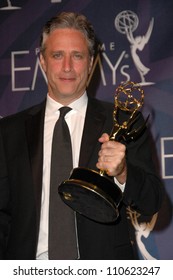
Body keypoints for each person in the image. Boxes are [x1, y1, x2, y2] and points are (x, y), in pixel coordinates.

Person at [0, 11, 163, 260]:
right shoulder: (8, 132)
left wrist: (123, 172)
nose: (67, 67)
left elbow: (152, 201)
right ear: (42, 62)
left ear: (91, 62)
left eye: (77, 56)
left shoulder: (122, 120)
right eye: (57, 55)